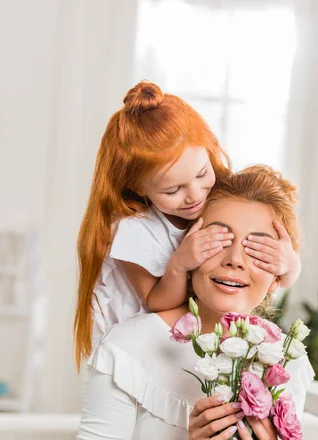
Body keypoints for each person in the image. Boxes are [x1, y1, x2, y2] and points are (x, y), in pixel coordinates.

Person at [62, 166, 318, 440]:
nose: (235, 259)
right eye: (219, 239)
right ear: (188, 248)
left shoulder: (283, 360)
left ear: (278, 271)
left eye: (258, 249)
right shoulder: (132, 345)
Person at [74, 81, 302, 367]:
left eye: (202, 173)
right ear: (137, 188)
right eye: (173, 190)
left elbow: (254, 275)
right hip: (142, 347)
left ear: (210, 150)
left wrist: (290, 267)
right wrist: (179, 264)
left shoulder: (213, 196)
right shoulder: (133, 231)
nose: (195, 195)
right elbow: (157, 302)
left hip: (186, 337)